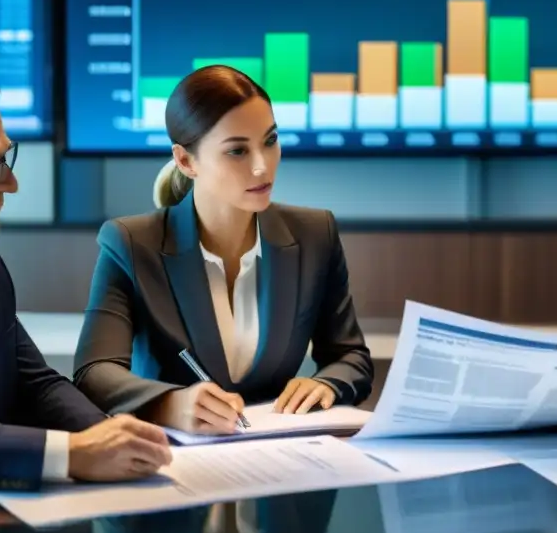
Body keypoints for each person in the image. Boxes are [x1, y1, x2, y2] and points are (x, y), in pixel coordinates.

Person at [73, 65, 374, 434]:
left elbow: (350, 356)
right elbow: (94, 373)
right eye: (237, 151)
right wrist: (170, 403)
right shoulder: (131, 243)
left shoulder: (315, 234)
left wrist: (327, 383)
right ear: (186, 160)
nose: (263, 166)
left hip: (284, 460)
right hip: (176, 466)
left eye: (270, 140)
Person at [0, 67, 172, 491]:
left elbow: (33, 382)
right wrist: (69, 455)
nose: (12, 184)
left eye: (7, 159)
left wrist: (111, 436)